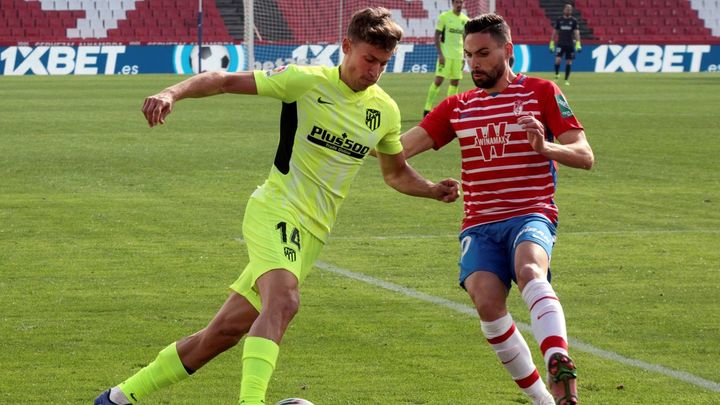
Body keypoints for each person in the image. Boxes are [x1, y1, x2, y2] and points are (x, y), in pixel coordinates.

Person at [94, 7, 459, 405]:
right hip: (275, 210)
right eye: (369, 59)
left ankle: (116, 398)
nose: (374, 71)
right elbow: (223, 81)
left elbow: (395, 172)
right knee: (284, 300)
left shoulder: (384, 111)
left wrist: (431, 189)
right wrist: (171, 93)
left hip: (312, 235)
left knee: (222, 334)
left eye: (383, 64)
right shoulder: (304, 81)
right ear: (346, 46)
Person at [400, 13, 593, 405]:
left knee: (529, 270)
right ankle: (545, 399)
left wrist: (545, 147)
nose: (474, 63)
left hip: (530, 212)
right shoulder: (456, 107)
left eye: (483, 54)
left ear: (508, 50)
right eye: (469, 55)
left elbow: (584, 155)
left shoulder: (541, 92)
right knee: (486, 301)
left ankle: (557, 358)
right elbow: (397, 150)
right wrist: (357, 125)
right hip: (480, 224)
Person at [423, 0, 469, 116]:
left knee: (455, 82)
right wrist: (440, 54)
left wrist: (464, 56)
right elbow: (436, 36)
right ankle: (427, 107)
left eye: (461, 2)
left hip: (458, 56)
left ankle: (450, 108)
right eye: (457, 2)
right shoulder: (444, 17)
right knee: (438, 81)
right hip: (446, 55)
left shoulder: (465, 20)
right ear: (452, 3)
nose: (459, 5)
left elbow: (465, 39)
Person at [550, 3, 581, 86]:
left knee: (569, 61)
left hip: (570, 44)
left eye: (569, 9)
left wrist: (578, 43)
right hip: (560, 43)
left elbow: (576, 33)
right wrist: (552, 42)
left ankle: (566, 79)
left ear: (571, 11)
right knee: (558, 60)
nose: (568, 10)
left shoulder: (574, 21)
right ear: (564, 10)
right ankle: (557, 75)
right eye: (567, 9)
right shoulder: (559, 20)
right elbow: (555, 32)